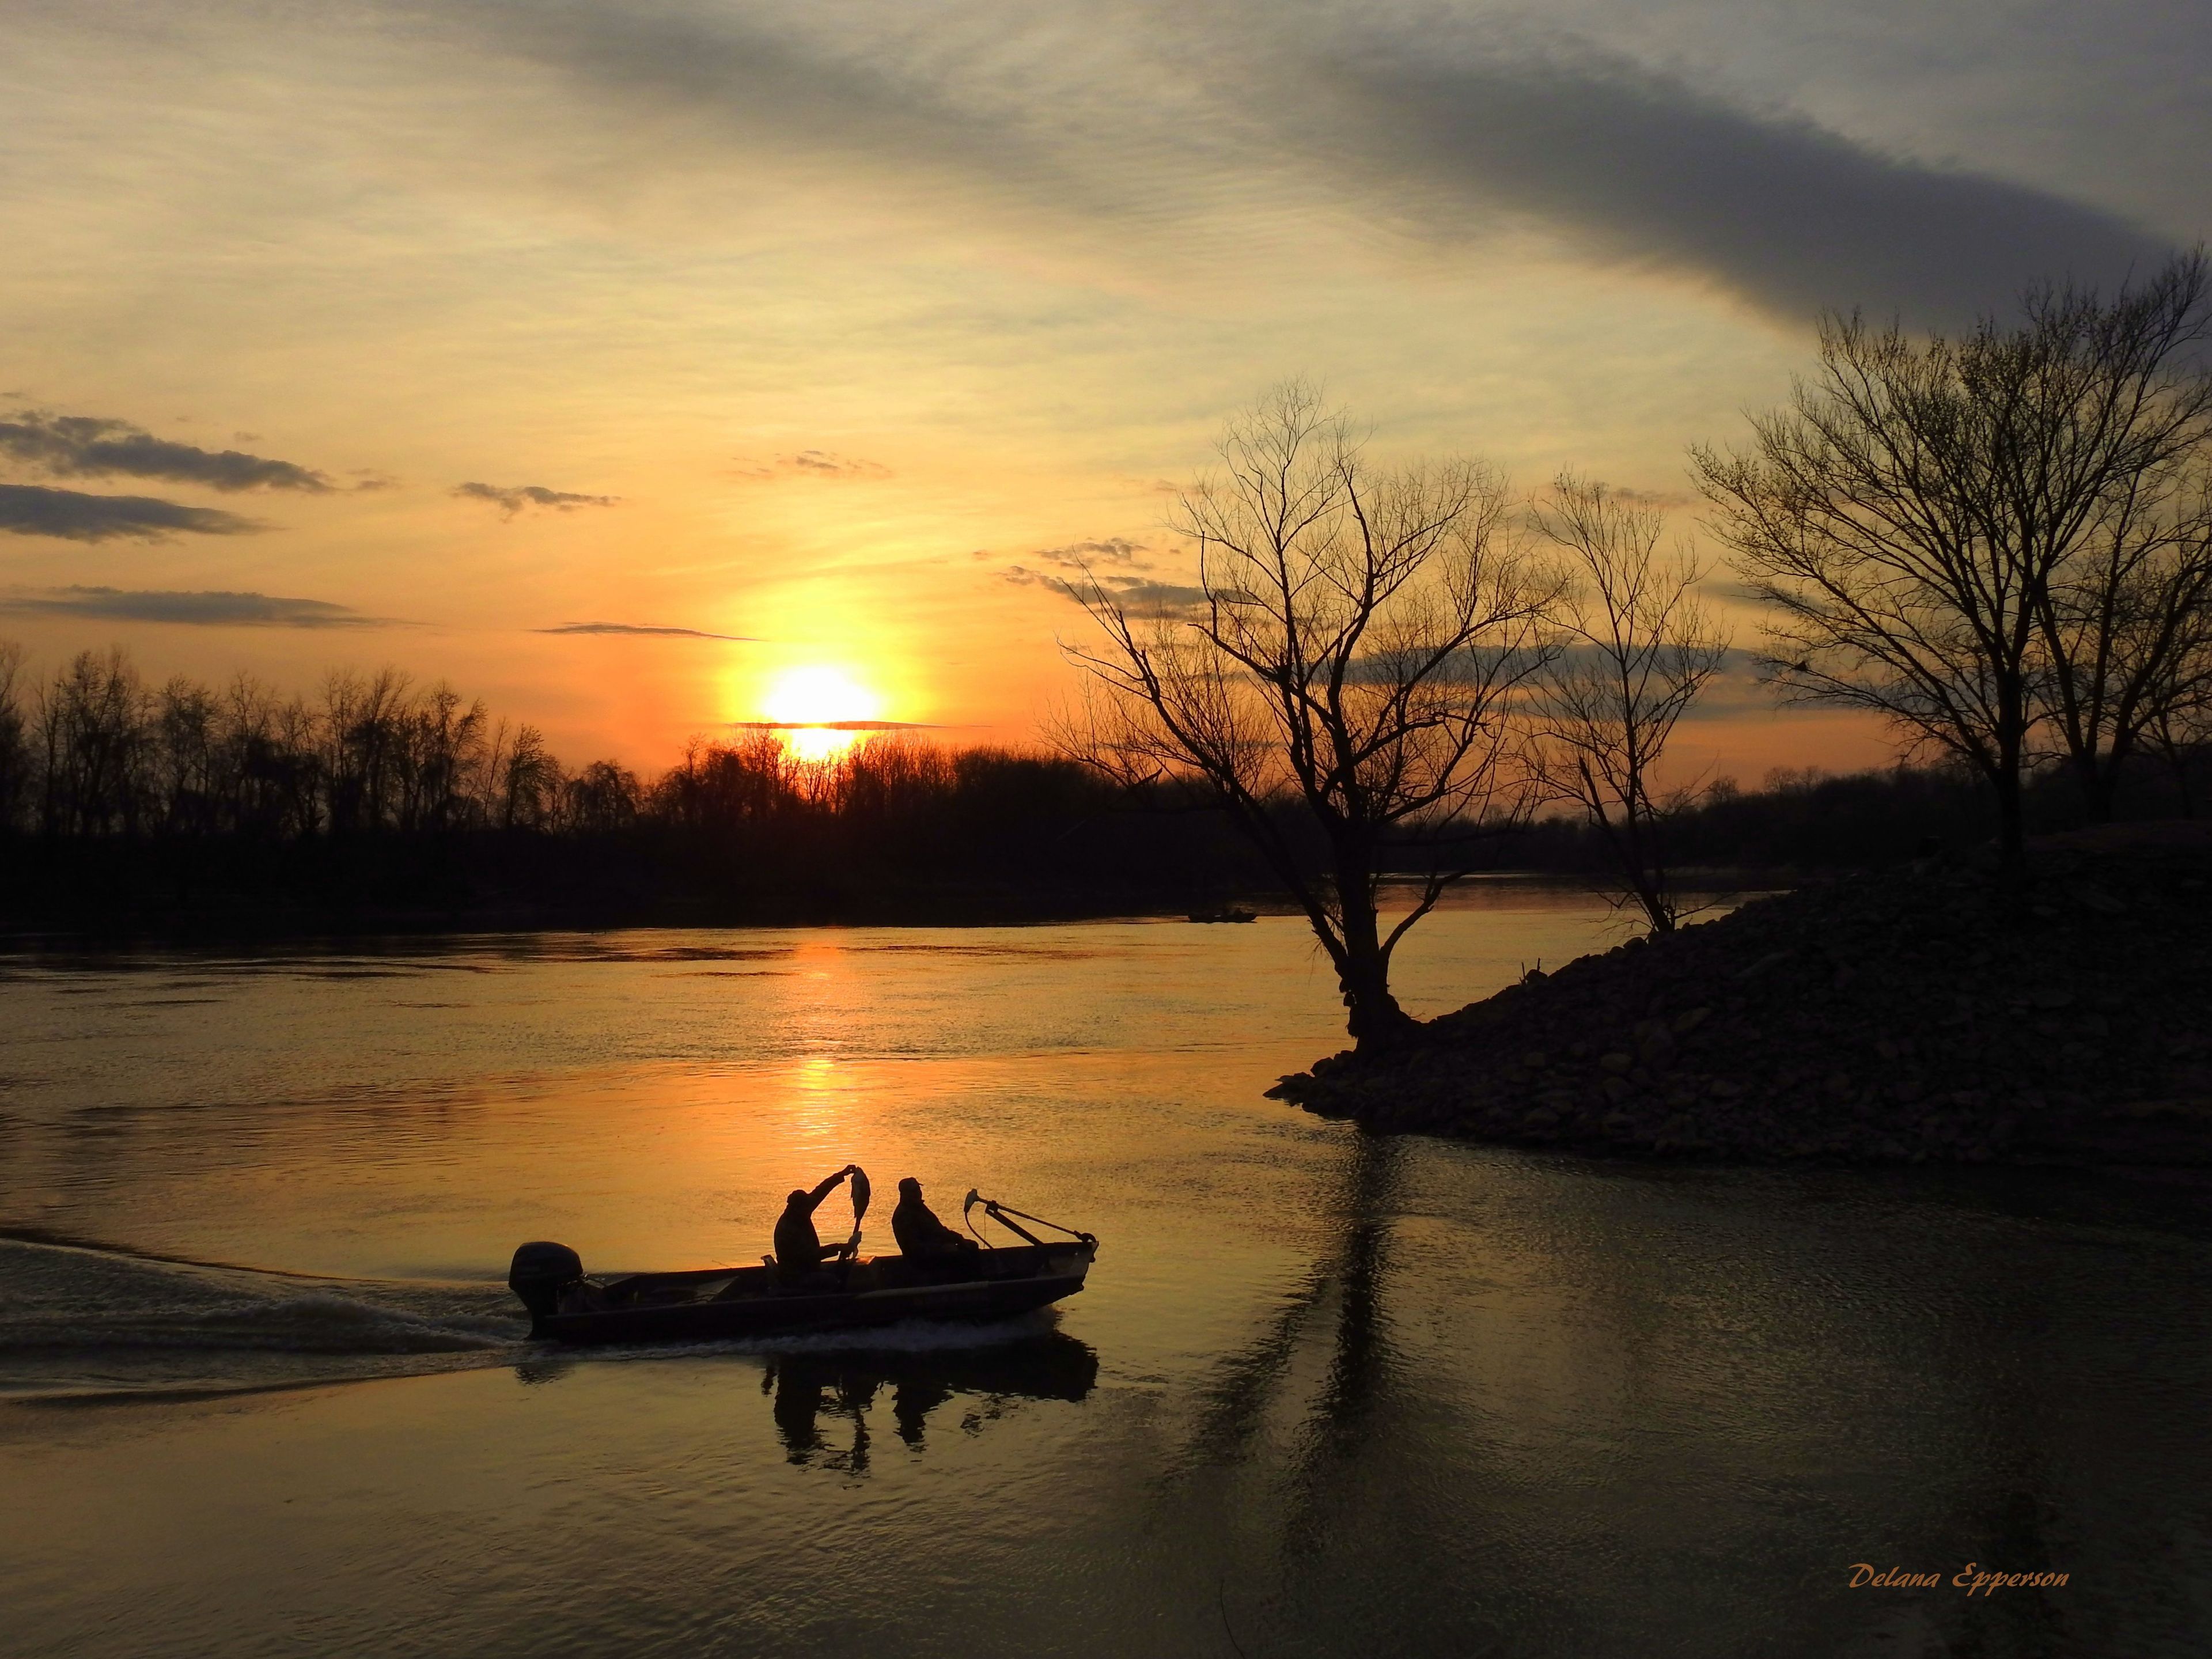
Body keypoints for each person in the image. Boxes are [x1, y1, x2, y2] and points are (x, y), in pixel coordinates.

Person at [774, 1165, 861, 1285]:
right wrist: (838, 1248)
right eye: (806, 1207)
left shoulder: (802, 1212)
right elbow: (810, 1256)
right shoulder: (787, 1230)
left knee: (845, 1270)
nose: (810, 1208)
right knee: (833, 1281)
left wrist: (842, 1174)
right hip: (795, 1276)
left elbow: (821, 1191)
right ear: (797, 1208)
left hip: (809, 1269)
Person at [891, 1177, 981, 1263]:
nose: (918, 1193)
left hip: (936, 1250)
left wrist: (958, 1239)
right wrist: (943, 1248)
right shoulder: (904, 1216)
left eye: (918, 1189)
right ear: (905, 1194)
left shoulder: (920, 1208)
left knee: (972, 1246)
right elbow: (915, 1249)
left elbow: (939, 1230)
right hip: (923, 1259)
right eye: (914, 1191)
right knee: (963, 1256)